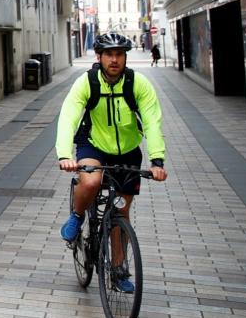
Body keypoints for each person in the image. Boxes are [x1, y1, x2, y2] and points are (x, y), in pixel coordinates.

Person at [57, 32, 167, 293]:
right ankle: (77, 216)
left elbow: (152, 121)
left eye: (119, 54)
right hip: (93, 144)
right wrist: (65, 156)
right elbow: (69, 116)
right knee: (92, 179)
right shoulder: (87, 83)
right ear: (99, 57)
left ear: (126, 57)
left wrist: (157, 160)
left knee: (120, 212)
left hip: (128, 151)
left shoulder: (137, 84)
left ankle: (118, 271)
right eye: (109, 54)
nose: (114, 59)